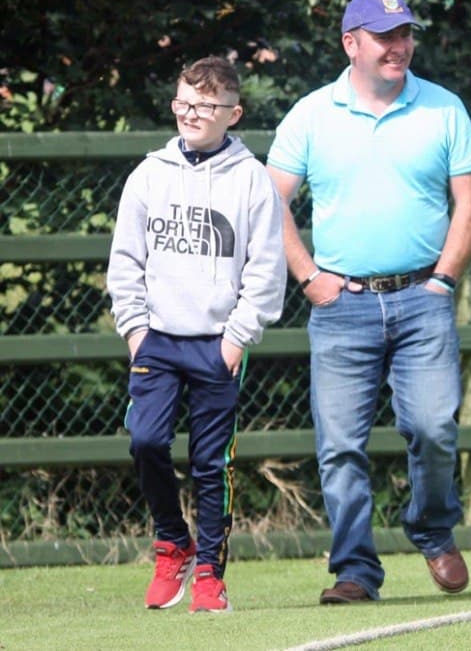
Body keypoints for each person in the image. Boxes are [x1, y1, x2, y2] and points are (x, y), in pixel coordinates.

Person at [266, 0, 471, 604]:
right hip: (342, 307)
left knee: (434, 428)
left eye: (405, 34)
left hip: (422, 298)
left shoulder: (443, 108)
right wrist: (309, 276)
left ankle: (433, 529)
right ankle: (355, 572)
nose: (399, 46)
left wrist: (443, 280)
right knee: (340, 447)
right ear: (350, 43)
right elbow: (268, 200)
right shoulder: (311, 114)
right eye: (385, 36)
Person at [107, 56, 286, 612]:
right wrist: (136, 331)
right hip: (157, 341)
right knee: (145, 441)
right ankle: (173, 544)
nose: (191, 114)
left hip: (218, 343)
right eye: (183, 102)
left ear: (234, 113)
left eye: (205, 106)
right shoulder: (149, 174)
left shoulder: (251, 179)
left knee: (212, 462)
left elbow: (266, 270)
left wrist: (237, 337)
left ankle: (210, 572)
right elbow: (125, 261)